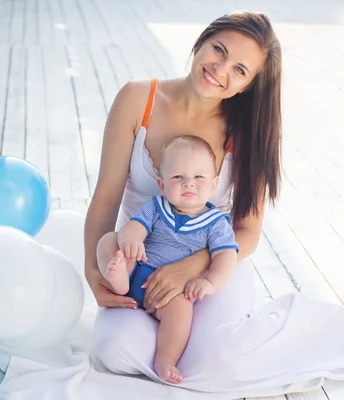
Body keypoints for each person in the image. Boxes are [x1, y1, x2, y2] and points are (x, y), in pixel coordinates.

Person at [84, 10, 344, 396]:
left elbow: (247, 230)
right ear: (202, 41)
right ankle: (168, 344)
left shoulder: (246, 131)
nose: (220, 69)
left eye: (240, 70)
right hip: (141, 264)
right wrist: (92, 272)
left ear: (248, 85)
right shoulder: (137, 98)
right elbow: (106, 197)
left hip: (214, 264)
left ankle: (298, 324)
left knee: (219, 364)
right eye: (219, 50)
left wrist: (192, 268)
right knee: (114, 350)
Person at [96, 135, 239, 383]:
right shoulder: (157, 206)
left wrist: (209, 282)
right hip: (138, 267)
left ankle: (165, 358)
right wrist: (131, 240)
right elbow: (134, 227)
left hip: (171, 293)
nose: (189, 184)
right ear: (161, 185)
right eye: (178, 177)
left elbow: (226, 258)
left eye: (198, 177)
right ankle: (119, 282)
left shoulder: (216, 224)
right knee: (109, 240)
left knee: (182, 312)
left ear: (214, 183)